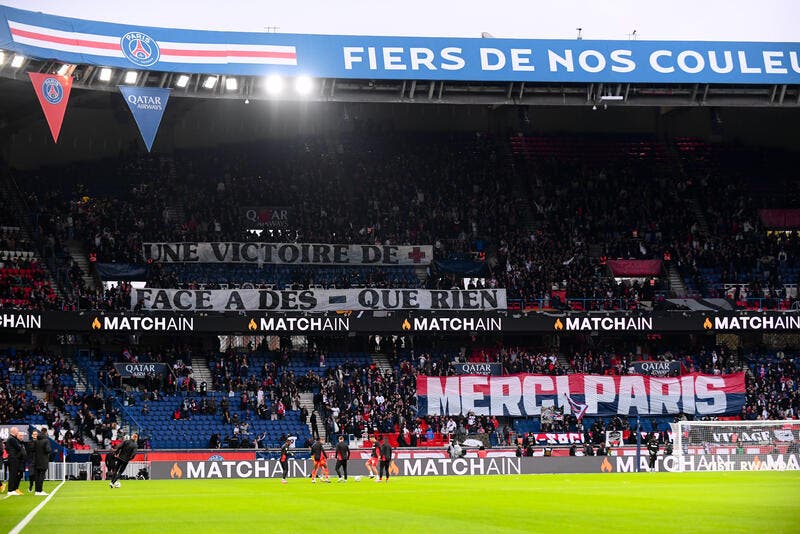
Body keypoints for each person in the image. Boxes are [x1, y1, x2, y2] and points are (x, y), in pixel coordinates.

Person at [6, 427, 26, 496]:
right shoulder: (12, 439)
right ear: (14, 431)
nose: (18, 432)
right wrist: (21, 447)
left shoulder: (10, 438)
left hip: (12, 459)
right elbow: (19, 447)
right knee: (12, 475)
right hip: (13, 459)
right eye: (17, 431)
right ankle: (10, 490)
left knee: (13, 475)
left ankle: (12, 489)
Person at [33, 429, 52, 496]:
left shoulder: (36, 441)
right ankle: (40, 490)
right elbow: (48, 450)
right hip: (43, 461)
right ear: (46, 432)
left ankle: (36, 491)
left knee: (37, 476)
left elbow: (33, 450)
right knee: (41, 476)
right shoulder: (46, 441)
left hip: (36, 460)